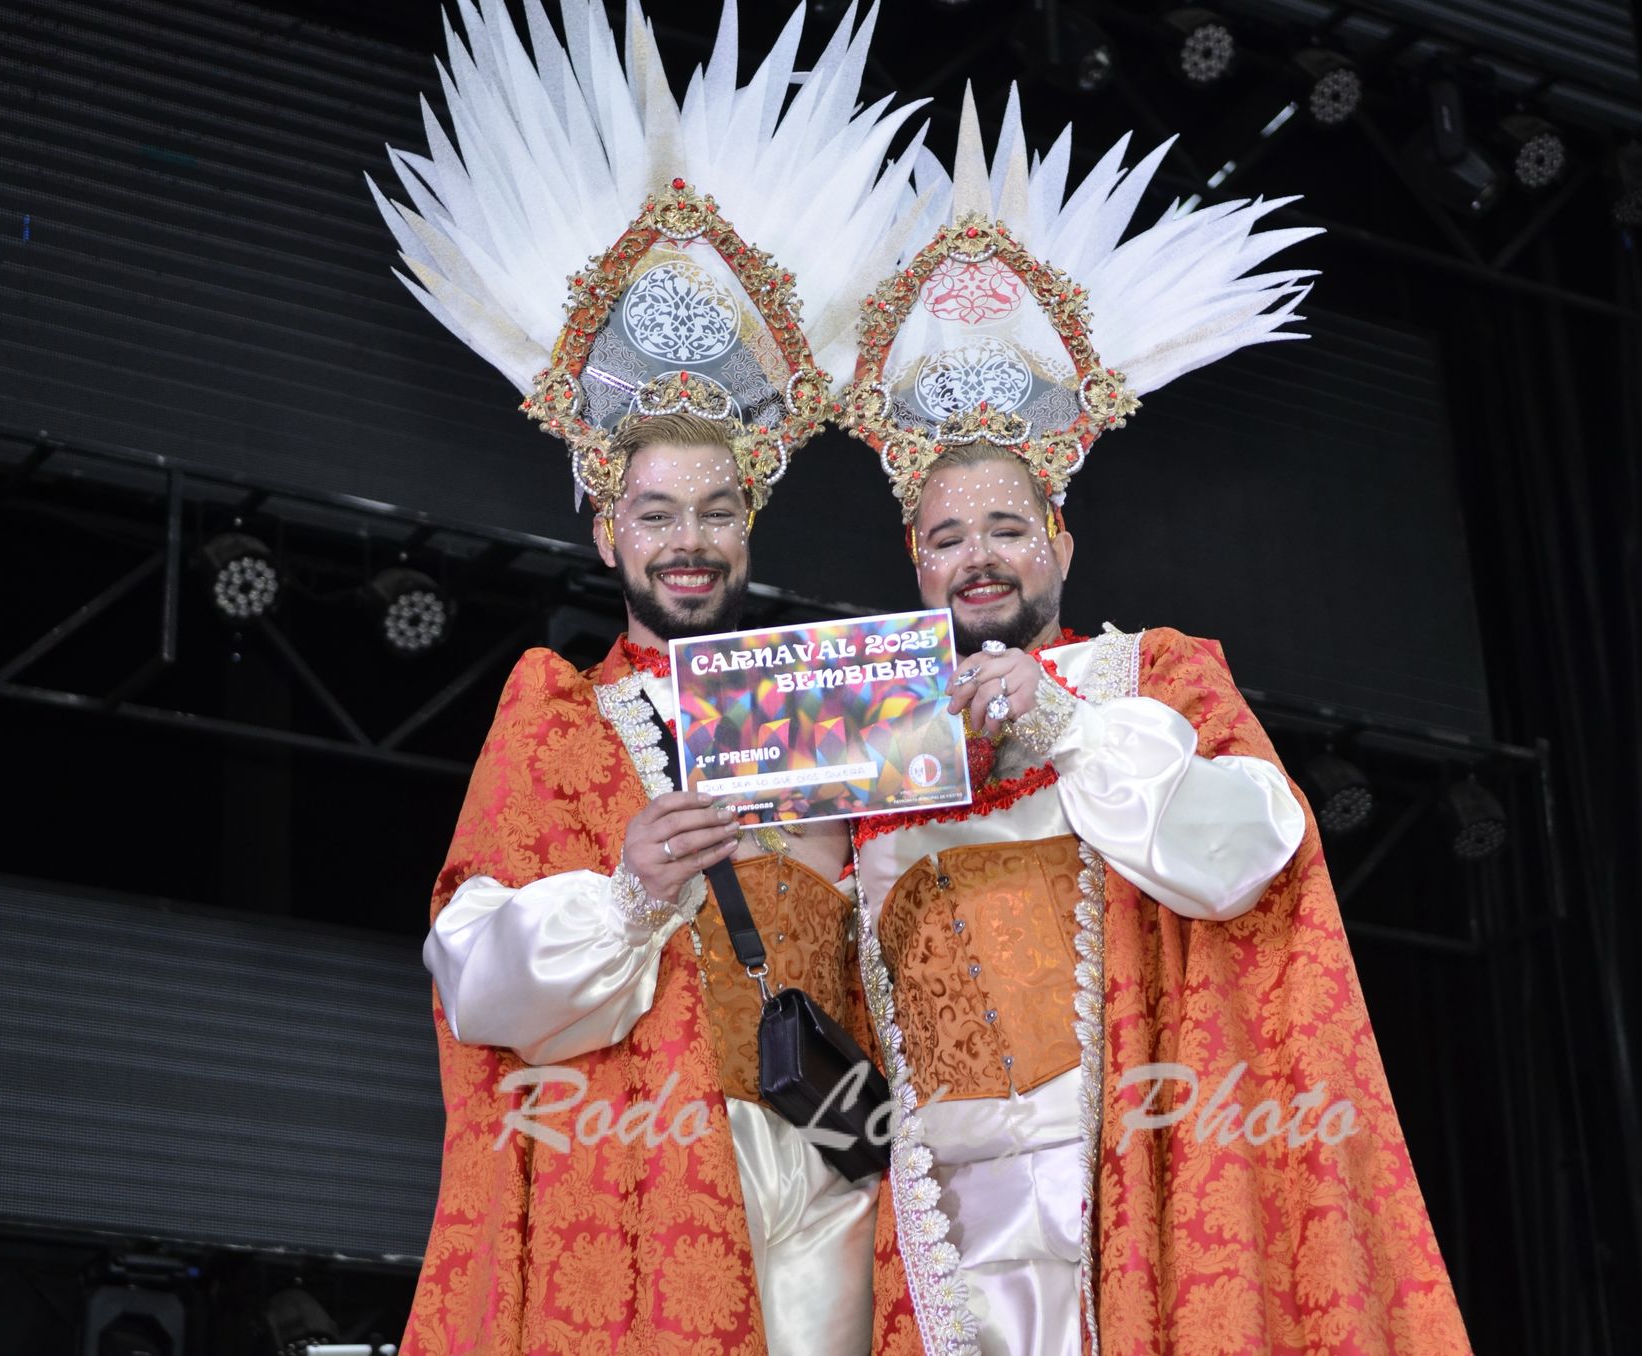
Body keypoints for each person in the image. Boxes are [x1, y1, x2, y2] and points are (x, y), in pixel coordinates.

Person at [833, 90, 1474, 1354]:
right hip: (934, 1217)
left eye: (1005, 531)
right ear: (915, 564)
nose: (978, 561)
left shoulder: (1153, 671)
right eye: (947, 538)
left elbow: (1249, 847)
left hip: (1128, 1171)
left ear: (1058, 543)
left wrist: (1064, 723)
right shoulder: (866, 719)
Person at [367, 3, 929, 1349]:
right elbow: (473, 968)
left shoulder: (836, 691)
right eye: (658, 515)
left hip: (838, 1150)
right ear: (608, 527)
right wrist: (628, 887)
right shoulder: (559, 709)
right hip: (656, 1152)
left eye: (716, 512)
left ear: (751, 523)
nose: (689, 543)